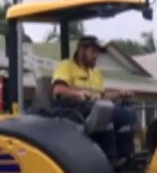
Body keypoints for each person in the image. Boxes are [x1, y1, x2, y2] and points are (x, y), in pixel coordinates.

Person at [51, 35, 137, 164]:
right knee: (107, 114)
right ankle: (110, 159)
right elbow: (58, 90)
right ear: (81, 51)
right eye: (93, 52)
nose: (96, 56)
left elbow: (101, 96)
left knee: (128, 115)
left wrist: (119, 94)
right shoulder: (66, 66)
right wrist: (78, 93)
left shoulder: (95, 72)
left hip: (94, 107)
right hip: (73, 111)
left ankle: (125, 157)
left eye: (97, 53)